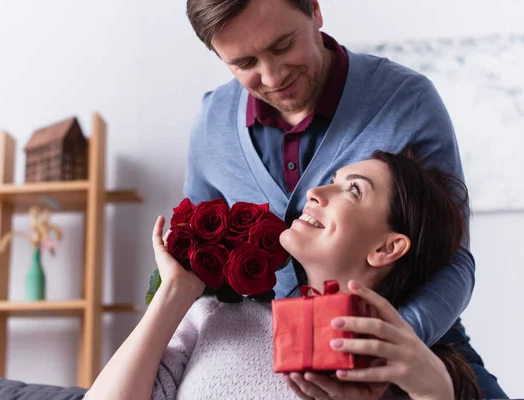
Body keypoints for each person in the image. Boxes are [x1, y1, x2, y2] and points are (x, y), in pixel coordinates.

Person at [181, 0, 506, 397]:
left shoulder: (407, 101)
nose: (272, 75)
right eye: (244, 62)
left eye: (283, 45)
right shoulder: (211, 124)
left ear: (315, 11)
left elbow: (454, 258)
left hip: (418, 340)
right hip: (281, 355)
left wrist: (388, 346)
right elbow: (199, 262)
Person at [84, 150, 481, 399]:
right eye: (333, 180)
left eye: (354, 191)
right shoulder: (216, 318)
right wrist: (174, 293)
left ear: (386, 248)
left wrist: (435, 393)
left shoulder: (401, 374)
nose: (316, 192)